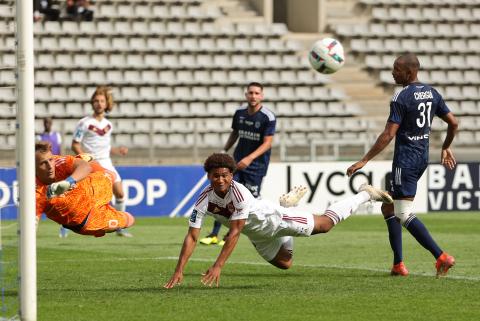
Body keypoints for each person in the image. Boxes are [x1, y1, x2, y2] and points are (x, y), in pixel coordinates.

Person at [164, 153, 393, 289]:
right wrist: (179, 270)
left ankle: (365, 194)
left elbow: (234, 233)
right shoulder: (203, 199)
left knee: (324, 225)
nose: (221, 179)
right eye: (216, 176)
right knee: (285, 264)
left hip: (273, 219)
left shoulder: (239, 193)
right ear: (208, 177)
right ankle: (288, 205)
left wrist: (218, 265)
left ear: (231, 175)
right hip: (256, 234)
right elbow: (192, 235)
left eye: (225, 175)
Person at [347, 53, 459, 278]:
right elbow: (454, 123)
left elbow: (389, 134)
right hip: (421, 159)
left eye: (397, 69)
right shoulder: (432, 93)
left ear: (409, 72)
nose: (392, 72)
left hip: (405, 161)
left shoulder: (402, 97)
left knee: (403, 212)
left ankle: (441, 256)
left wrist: (365, 160)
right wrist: (446, 146)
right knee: (388, 208)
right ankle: (398, 264)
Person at [199, 82, 276, 246]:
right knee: (224, 194)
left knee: (249, 201)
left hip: (256, 167)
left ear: (261, 96)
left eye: (256, 93)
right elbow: (235, 133)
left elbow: (267, 143)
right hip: (236, 163)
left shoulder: (268, 117)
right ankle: (214, 234)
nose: (253, 96)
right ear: (246, 95)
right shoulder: (239, 113)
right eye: (250, 93)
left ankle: (230, 234)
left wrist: (250, 158)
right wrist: (224, 150)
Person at [35, 141, 135, 237]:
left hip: (95, 185)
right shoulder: (35, 192)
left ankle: (81, 158)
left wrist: (68, 182)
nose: (49, 166)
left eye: (50, 160)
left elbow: (85, 167)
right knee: (128, 220)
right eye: (43, 163)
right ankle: (82, 158)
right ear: (32, 167)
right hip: (89, 220)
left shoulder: (57, 162)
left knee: (107, 173)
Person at [71, 86, 132, 237]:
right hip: (92, 164)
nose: (99, 103)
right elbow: (75, 144)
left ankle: (120, 227)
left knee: (120, 193)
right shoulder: (84, 123)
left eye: (102, 101)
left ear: (106, 104)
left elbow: (106, 147)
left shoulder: (108, 125)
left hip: (107, 162)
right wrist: (86, 160)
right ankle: (68, 224)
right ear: (92, 103)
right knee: (86, 197)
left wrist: (118, 150)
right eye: (96, 101)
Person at [36, 117, 69, 237]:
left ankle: (64, 227)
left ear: (51, 124)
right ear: (43, 124)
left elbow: (61, 150)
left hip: (55, 169)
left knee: (62, 199)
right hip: (44, 172)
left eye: (49, 122)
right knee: (40, 198)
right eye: (46, 122)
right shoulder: (40, 137)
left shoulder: (57, 136)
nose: (48, 124)